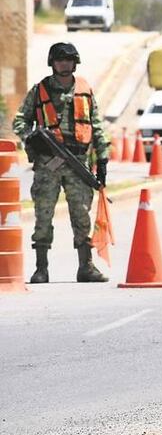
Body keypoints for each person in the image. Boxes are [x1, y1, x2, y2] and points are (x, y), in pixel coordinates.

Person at [11, 42, 110, 283]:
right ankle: (41, 268)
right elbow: (20, 122)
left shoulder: (85, 91)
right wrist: (33, 139)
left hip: (78, 162)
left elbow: (96, 126)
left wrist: (103, 158)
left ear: (74, 62)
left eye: (68, 60)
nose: (64, 64)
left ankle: (86, 266)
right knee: (43, 215)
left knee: (81, 215)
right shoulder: (40, 90)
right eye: (59, 60)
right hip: (49, 164)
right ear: (52, 63)